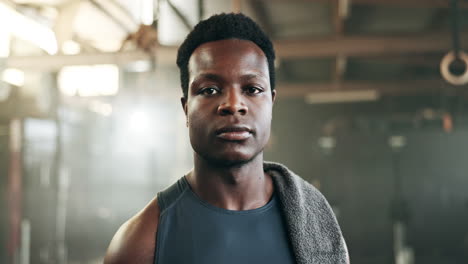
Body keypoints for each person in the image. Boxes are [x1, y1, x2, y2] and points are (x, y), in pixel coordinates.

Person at [104, 13, 349, 264]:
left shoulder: (316, 221)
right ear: (186, 107)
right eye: (209, 90)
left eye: (252, 89)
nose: (233, 104)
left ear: (271, 104)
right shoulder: (140, 243)